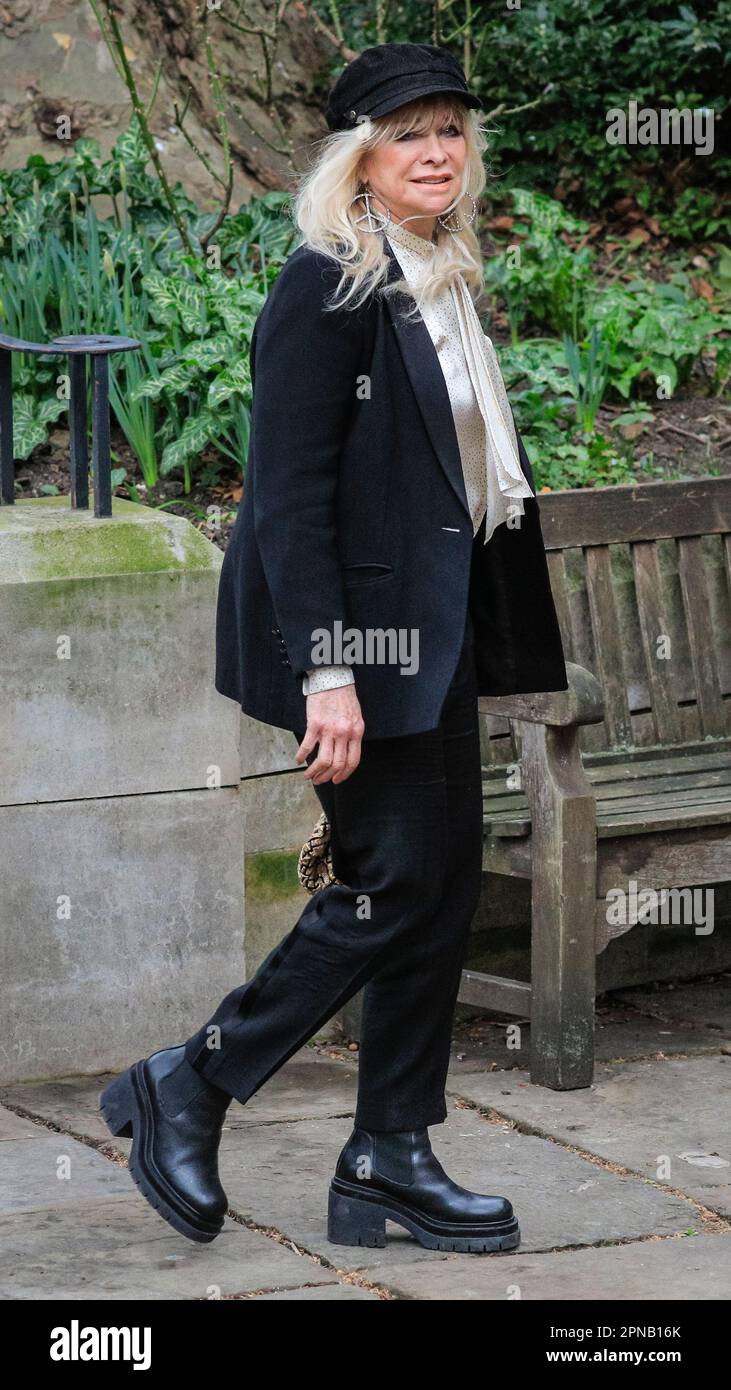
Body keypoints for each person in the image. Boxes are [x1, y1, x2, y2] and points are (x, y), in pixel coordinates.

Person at [100, 42, 568, 1255]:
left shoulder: (438, 273)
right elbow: (289, 499)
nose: (435, 152)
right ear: (355, 159)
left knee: (440, 888)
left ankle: (387, 1159)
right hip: (358, 644)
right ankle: (194, 1079)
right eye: (408, 133)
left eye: (450, 131)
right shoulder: (328, 284)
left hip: (437, 632)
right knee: (390, 883)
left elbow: (459, 474)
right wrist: (325, 669)